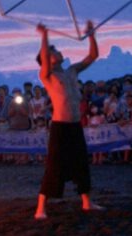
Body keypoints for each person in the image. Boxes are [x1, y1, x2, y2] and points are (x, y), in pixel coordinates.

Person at [34, 21, 102, 220]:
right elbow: (44, 55)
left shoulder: (71, 71)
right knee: (54, 165)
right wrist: (44, 35)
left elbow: (92, 56)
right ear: (47, 58)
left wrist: (91, 34)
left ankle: (87, 202)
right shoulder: (47, 75)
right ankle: (40, 208)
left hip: (74, 125)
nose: (58, 51)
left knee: (81, 162)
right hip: (60, 127)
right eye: (53, 50)